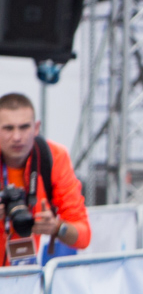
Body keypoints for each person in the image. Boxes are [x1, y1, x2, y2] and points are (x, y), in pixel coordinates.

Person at [0, 92, 90, 267]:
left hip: (25, 278)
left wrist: (57, 227)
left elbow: (84, 236)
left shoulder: (53, 157)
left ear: (36, 128)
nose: (17, 137)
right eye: (8, 128)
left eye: (24, 127)